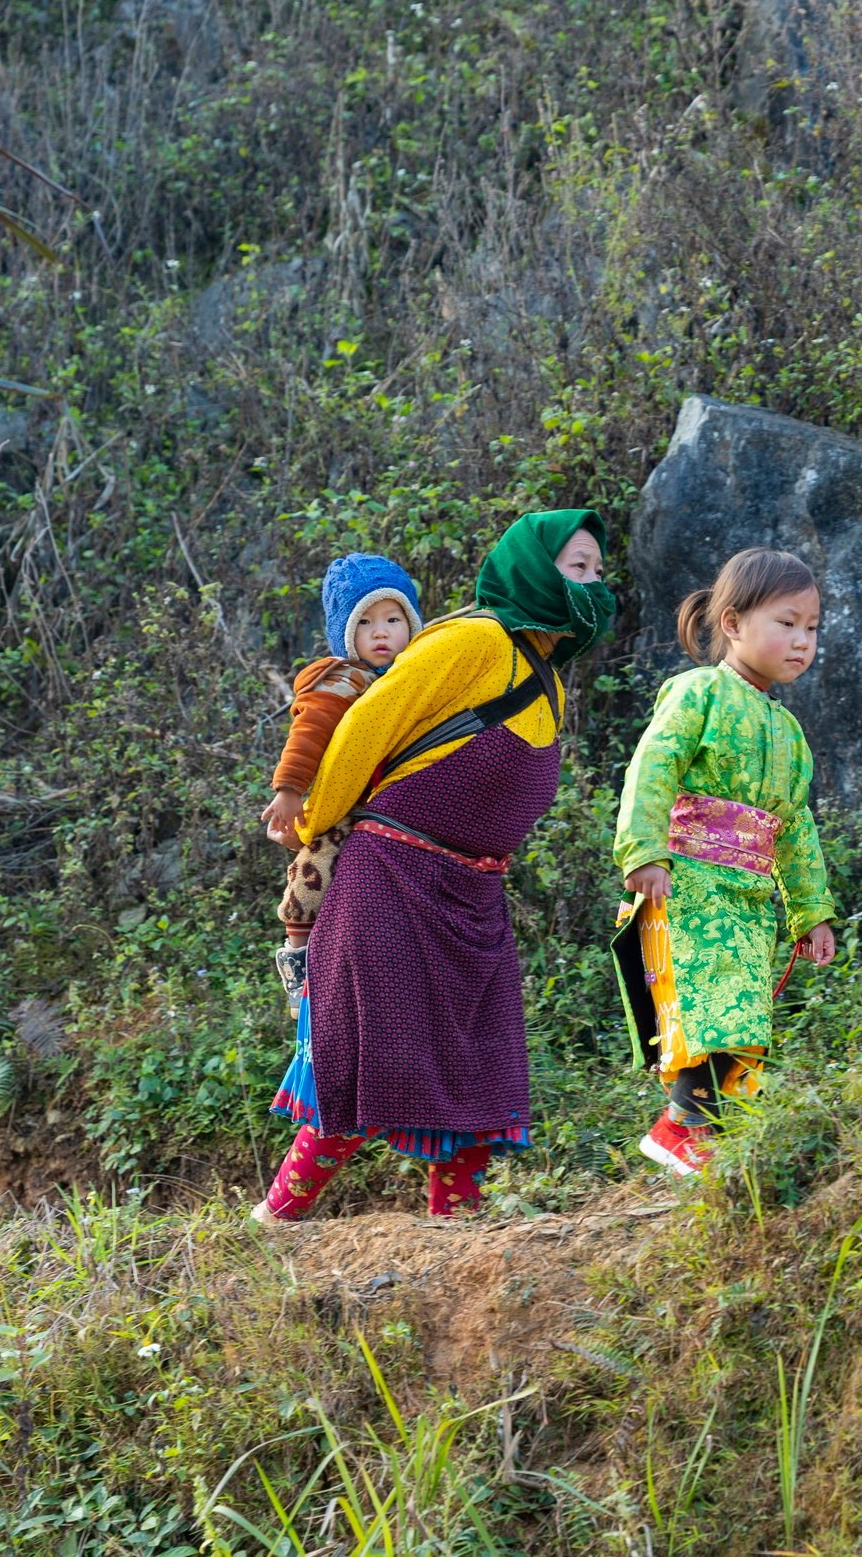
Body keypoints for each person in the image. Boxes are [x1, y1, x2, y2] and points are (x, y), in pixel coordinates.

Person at [253, 510, 616, 1224]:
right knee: (361, 1057)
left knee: (480, 1070)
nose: (592, 585)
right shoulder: (476, 640)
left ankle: (459, 1227)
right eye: (577, 568)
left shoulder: (547, 677)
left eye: (599, 573)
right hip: (388, 879)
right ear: (534, 571)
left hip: (472, 895)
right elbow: (367, 723)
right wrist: (310, 817)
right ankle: (276, 1221)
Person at [612, 548, 837, 1177]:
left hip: (751, 894)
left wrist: (811, 913)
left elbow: (795, 829)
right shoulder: (698, 692)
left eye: (812, 628)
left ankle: (712, 1140)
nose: (802, 641)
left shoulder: (789, 732)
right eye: (786, 623)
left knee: (746, 1016)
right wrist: (644, 851)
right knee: (713, 1005)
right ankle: (682, 1129)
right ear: (733, 624)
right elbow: (652, 767)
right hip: (691, 883)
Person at [262, 553, 422, 1014]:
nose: (380, 632)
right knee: (314, 867)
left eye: (394, 618)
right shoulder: (341, 680)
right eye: (365, 622)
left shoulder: (414, 675)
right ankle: (298, 959)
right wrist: (290, 790)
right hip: (347, 802)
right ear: (345, 633)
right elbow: (307, 735)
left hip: (393, 800)